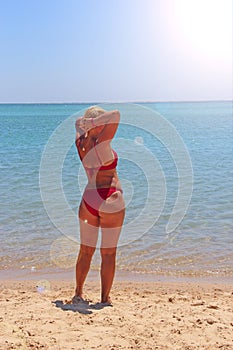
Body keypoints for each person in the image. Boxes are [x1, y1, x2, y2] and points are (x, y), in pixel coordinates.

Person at [73, 106, 125, 305]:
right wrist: (96, 123)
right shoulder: (102, 144)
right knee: (109, 253)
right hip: (109, 198)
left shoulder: (80, 142)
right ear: (96, 124)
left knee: (85, 250)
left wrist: (87, 123)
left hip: (89, 200)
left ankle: (78, 292)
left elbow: (77, 122)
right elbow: (117, 114)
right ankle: (104, 298)